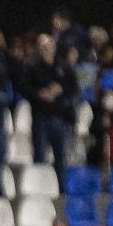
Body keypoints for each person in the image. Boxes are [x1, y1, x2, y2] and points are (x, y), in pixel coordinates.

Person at [24, 34, 78, 178]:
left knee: (60, 157)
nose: (46, 50)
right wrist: (39, 93)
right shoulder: (32, 68)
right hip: (41, 117)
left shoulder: (64, 67)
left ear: (54, 48)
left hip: (60, 117)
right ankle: (38, 188)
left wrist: (60, 90)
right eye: (42, 47)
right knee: (39, 155)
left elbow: (73, 88)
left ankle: (61, 190)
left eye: (48, 46)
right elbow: (25, 89)